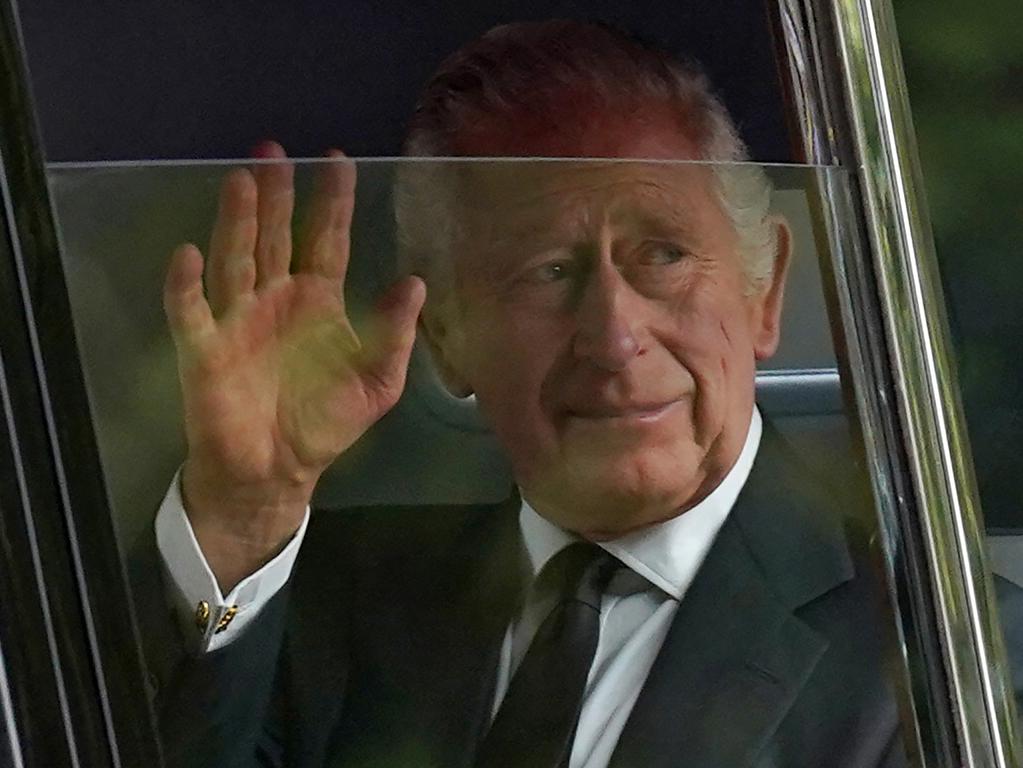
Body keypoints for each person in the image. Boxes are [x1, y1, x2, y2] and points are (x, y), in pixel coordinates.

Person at [131, 20, 906, 768]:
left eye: (662, 255)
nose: (612, 336)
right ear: (443, 333)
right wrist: (243, 510)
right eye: (548, 270)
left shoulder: (936, 648)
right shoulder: (318, 607)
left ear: (762, 287)